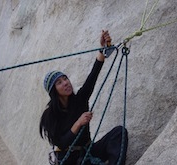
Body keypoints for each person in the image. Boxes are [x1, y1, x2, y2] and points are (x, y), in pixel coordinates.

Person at [39, 30, 128, 165]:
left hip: (88, 151)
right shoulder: (50, 115)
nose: (66, 83)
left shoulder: (79, 100)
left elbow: (93, 76)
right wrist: (78, 123)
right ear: (54, 91)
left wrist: (102, 49)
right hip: (71, 160)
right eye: (59, 82)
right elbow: (62, 143)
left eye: (65, 79)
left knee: (118, 133)